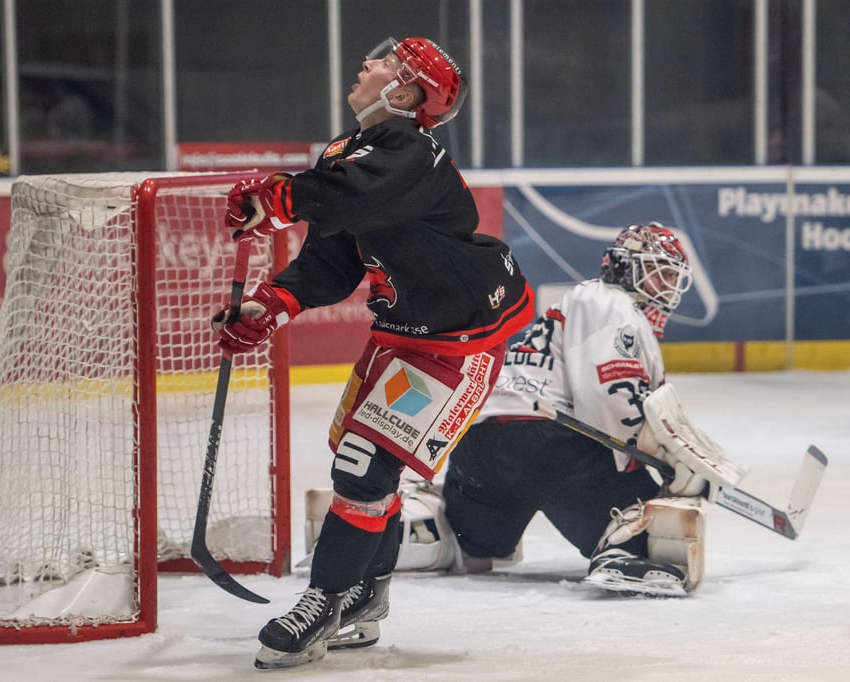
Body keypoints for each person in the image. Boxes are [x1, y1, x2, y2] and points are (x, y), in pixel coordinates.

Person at [212, 36, 535, 669]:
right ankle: (364, 598)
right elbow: (333, 259)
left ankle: (323, 603)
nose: (367, 63)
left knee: (362, 468)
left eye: (385, 62)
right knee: (364, 468)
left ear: (406, 92)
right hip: (401, 336)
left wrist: (277, 200)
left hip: (457, 342)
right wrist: (270, 304)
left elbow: (355, 195)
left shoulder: (413, 151)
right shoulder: (347, 152)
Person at [442, 222, 730, 598]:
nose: (668, 287)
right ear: (626, 267)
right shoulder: (612, 303)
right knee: (653, 531)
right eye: (660, 274)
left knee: (476, 545)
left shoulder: (586, 303)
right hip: (549, 446)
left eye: (673, 277)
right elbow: (610, 399)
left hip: (479, 452)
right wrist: (661, 470)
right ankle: (621, 552)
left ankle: (419, 533)